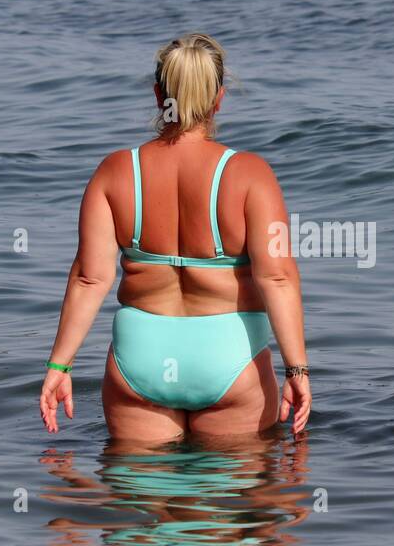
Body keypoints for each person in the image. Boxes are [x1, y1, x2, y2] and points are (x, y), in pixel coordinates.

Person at [39, 33, 311, 439]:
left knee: (141, 493)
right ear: (219, 98)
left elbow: (89, 279)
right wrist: (297, 370)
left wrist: (59, 367)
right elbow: (277, 277)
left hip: (140, 359)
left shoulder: (115, 171)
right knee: (239, 494)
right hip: (228, 361)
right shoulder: (252, 175)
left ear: (157, 94)